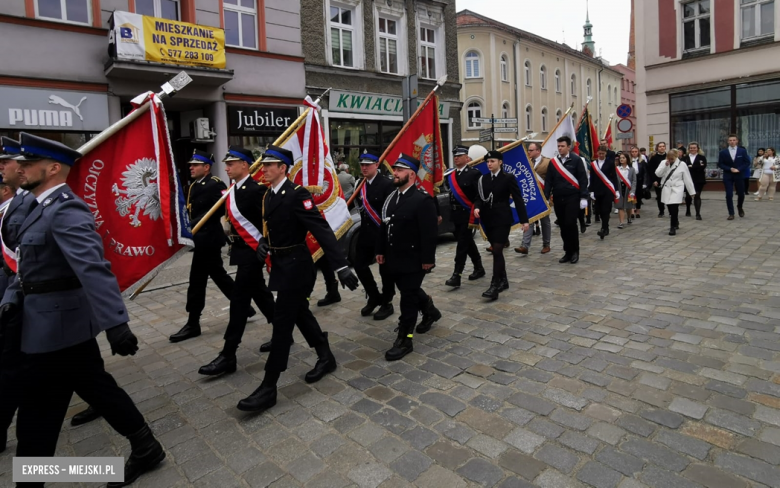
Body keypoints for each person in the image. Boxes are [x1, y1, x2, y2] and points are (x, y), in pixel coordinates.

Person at [1, 133, 164, 486]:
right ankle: (145, 446)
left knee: (37, 418)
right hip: (46, 324)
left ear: (53, 168)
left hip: (57, 328)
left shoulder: (66, 208)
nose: (20, 168)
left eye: (28, 164)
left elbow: (92, 267)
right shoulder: (36, 206)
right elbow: (29, 265)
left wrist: (116, 323)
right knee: (94, 388)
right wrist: (12, 296)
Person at [236, 146, 358, 412]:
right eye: (263, 165)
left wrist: (341, 266)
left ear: (283, 168)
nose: (264, 169)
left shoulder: (297, 194)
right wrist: (263, 244)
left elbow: (321, 229)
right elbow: (272, 229)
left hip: (298, 267)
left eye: (270, 165)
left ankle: (269, 386)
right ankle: (326, 357)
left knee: (282, 324)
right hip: (281, 265)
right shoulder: (269, 195)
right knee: (301, 314)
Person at [198, 146, 276, 376]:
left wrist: (266, 244)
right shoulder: (231, 190)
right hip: (240, 251)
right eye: (226, 163)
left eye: (232, 163)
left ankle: (228, 355)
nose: (227, 167)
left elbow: (269, 220)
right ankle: (284, 332)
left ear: (245, 165)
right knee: (260, 294)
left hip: (253, 253)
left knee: (239, 301)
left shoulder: (256, 190)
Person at [170, 150, 256, 343]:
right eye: (190, 165)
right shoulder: (194, 185)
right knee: (219, 276)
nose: (191, 168)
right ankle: (245, 307)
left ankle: (193, 323)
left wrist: (192, 226)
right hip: (199, 240)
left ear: (206, 167)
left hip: (209, 240)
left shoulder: (215, 184)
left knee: (197, 281)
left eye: (195, 165)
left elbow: (217, 210)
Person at [375, 154, 440, 359]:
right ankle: (430, 311)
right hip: (394, 257)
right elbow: (384, 226)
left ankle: (405, 339)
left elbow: (429, 233)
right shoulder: (392, 197)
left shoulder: (422, 200)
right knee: (408, 290)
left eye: (400, 170)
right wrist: (380, 250)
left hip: (413, 259)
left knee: (408, 298)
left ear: (411, 174)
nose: (394, 173)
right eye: (395, 169)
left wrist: (428, 260)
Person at [473, 150, 529, 300]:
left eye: (492, 161)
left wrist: (524, 220)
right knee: (497, 251)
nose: (489, 164)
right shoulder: (483, 179)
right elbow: (479, 197)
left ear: (500, 162)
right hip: (488, 219)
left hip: (502, 218)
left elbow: (518, 199)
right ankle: (503, 280)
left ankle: (494, 285)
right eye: (488, 162)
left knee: (497, 250)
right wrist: (477, 207)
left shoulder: (508, 178)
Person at [353, 149, 396, 319]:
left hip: (382, 233)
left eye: (368, 165)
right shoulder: (359, 184)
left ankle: (387, 303)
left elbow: (391, 210)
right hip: (365, 233)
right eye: (362, 165)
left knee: (385, 270)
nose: (364, 168)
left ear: (377, 165)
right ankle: (374, 296)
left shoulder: (386, 184)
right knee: (359, 265)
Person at [445, 145, 486, 287]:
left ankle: (457, 275)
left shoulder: (474, 174)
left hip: (467, 214)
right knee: (467, 242)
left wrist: (477, 208)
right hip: (455, 214)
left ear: (467, 158)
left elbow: (479, 195)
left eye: (459, 155)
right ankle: (479, 267)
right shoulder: (451, 175)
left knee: (462, 245)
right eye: (454, 155)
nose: (456, 158)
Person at [544, 136, 588, 264]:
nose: (560, 148)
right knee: (563, 225)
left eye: (562, 146)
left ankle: (575, 252)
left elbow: (582, 179)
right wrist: (546, 197)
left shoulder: (576, 160)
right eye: (558, 146)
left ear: (569, 147)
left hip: (572, 197)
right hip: (558, 197)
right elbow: (549, 181)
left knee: (570, 224)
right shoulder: (553, 162)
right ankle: (567, 252)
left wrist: (584, 197)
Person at [516, 142, 551, 255]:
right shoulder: (527, 162)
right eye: (528, 150)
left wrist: (548, 196)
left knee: (545, 221)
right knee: (529, 220)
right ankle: (525, 246)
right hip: (531, 198)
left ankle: (546, 244)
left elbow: (551, 180)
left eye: (531, 150)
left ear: (538, 151)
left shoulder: (548, 162)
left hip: (543, 197)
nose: (529, 152)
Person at [656, 148, 696, 236]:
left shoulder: (682, 164)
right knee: (669, 206)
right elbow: (658, 174)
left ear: (676, 156)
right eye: (668, 158)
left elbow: (687, 178)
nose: (670, 160)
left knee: (674, 206)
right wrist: (665, 166)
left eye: (672, 159)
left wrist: (691, 191)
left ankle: (672, 227)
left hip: (677, 188)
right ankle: (676, 220)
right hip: (666, 187)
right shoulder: (663, 163)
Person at [717, 134, 751, 220]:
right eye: (730, 140)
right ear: (728, 141)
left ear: (737, 141)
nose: (732, 142)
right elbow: (720, 164)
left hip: (739, 175)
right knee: (729, 194)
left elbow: (747, 162)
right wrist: (730, 168)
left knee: (741, 194)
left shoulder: (742, 151)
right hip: (728, 175)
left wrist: (739, 169)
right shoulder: (723, 152)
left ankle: (740, 207)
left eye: (734, 140)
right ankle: (731, 213)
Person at [589, 146, 619, 239]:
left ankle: (604, 228)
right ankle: (605, 226)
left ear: (606, 153)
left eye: (603, 153)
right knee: (599, 210)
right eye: (600, 153)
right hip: (597, 190)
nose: (601, 155)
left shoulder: (610, 163)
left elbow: (614, 177)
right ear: (597, 153)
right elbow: (592, 178)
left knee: (606, 209)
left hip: (607, 190)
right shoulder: (593, 164)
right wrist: (591, 191)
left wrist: (616, 190)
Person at [683, 142, 707, 219]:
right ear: (688, 149)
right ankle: (688, 210)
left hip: (699, 179)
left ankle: (698, 213)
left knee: (697, 195)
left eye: (694, 148)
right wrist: (696, 167)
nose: (692, 149)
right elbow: (683, 168)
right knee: (688, 196)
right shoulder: (685, 158)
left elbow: (702, 167)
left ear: (697, 149)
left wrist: (691, 167)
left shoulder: (701, 157)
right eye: (691, 148)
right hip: (688, 179)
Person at [615, 152, 637, 229]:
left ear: (627, 159)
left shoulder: (631, 169)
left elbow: (634, 181)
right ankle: (621, 222)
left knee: (628, 206)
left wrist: (632, 191)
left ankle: (629, 217)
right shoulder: (616, 169)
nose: (621, 159)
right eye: (620, 158)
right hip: (619, 188)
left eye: (623, 158)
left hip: (628, 189)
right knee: (620, 206)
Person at [648, 142, 668, 217]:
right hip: (658, 180)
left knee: (668, 196)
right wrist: (654, 180)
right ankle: (661, 211)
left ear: (665, 147)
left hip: (668, 180)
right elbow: (651, 170)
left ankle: (670, 211)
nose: (662, 148)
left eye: (663, 146)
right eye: (660, 146)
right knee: (659, 197)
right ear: (657, 148)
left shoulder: (668, 156)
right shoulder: (654, 158)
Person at [629, 146, 647, 219]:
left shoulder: (642, 162)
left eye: (636, 151)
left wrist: (645, 183)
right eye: (633, 152)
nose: (634, 153)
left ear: (638, 152)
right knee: (632, 195)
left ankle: (638, 211)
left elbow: (645, 173)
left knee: (638, 197)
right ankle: (632, 211)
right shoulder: (629, 162)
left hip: (639, 180)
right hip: (631, 181)